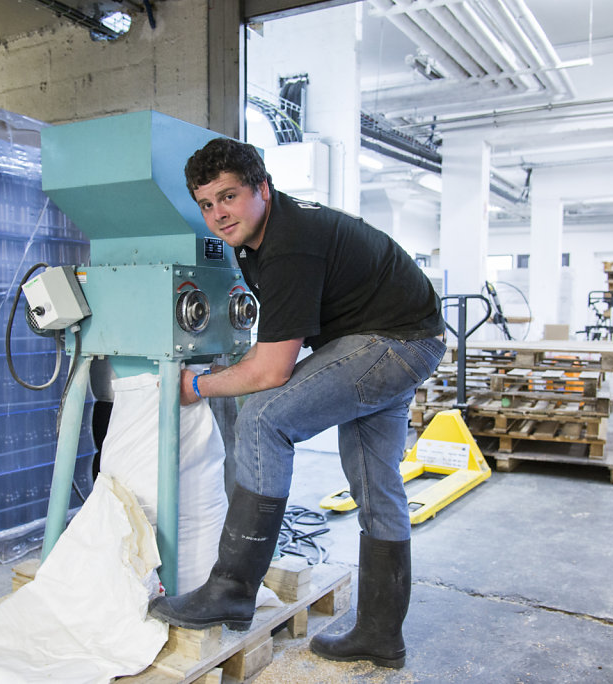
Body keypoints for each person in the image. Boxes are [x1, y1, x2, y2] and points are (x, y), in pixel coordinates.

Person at [148, 138, 446, 669]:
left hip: (393, 340)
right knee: (376, 484)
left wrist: (197, 385)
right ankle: (381, 635)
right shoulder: (255, 241)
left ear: (262, 188)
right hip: (400, 335)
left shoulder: (289, 242)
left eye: (229, 197)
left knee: (264, 418)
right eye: (207, 205)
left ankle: (232, 588)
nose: (218, 214)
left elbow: (270, 371)